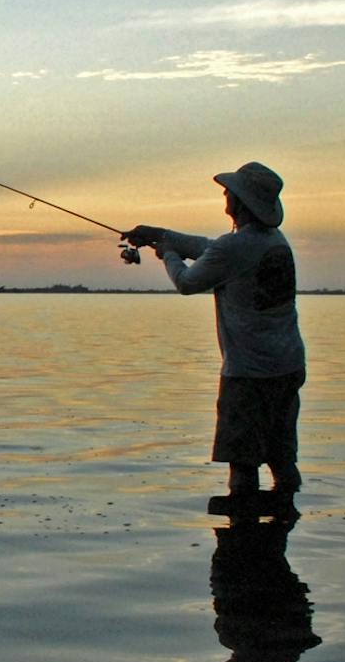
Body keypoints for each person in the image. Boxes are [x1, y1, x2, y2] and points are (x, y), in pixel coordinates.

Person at [125, 161, 305, 501]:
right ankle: (283, 520)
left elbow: (188, 282)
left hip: (248, 374)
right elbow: (212, 248)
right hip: (288, 366)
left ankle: (241, 538)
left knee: (242, 463)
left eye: (230, 191)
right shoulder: (273, 240)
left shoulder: (236, 247)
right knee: (282, 458)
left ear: (241, 202)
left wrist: (168, 254)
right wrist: (161, 235)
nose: (225, 193)